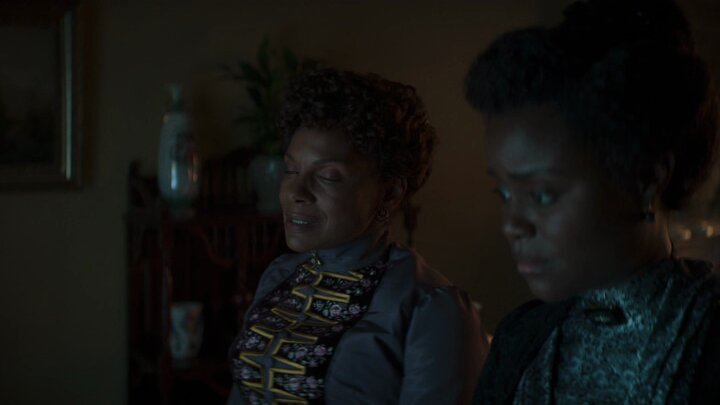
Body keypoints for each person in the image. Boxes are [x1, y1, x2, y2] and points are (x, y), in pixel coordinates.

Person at [465, 0, 720, 403]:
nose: (512, 224)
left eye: (542, 194)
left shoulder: (705, 334)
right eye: (504, 193)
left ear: (646, 179)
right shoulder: (520, 335)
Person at [228, 68, 488, 404]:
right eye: (290, 170)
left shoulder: (431, 309)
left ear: (390, 193)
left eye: (327, 176)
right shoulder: (279, 277)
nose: (295, 192)